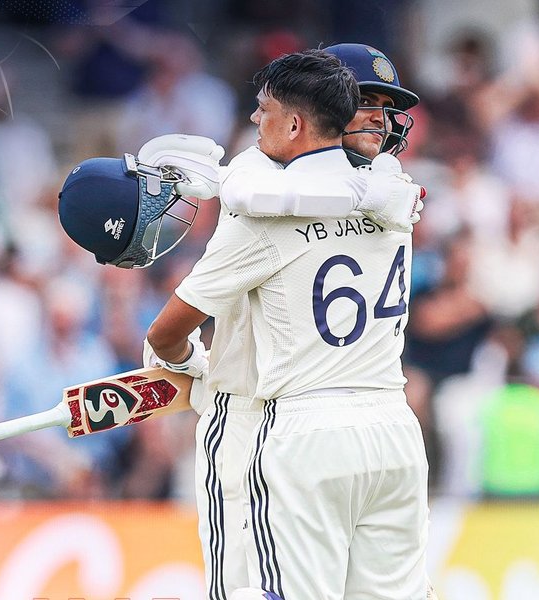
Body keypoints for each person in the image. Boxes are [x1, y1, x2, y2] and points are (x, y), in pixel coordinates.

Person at [146, 48, 429, 599]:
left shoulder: (261, 211)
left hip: (294, 425)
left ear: (299, 119)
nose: (380, 120)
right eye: (367, 103)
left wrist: (190, 363)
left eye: (384, 107)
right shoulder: (397, 200)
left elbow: (166, 332)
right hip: (392, 426)